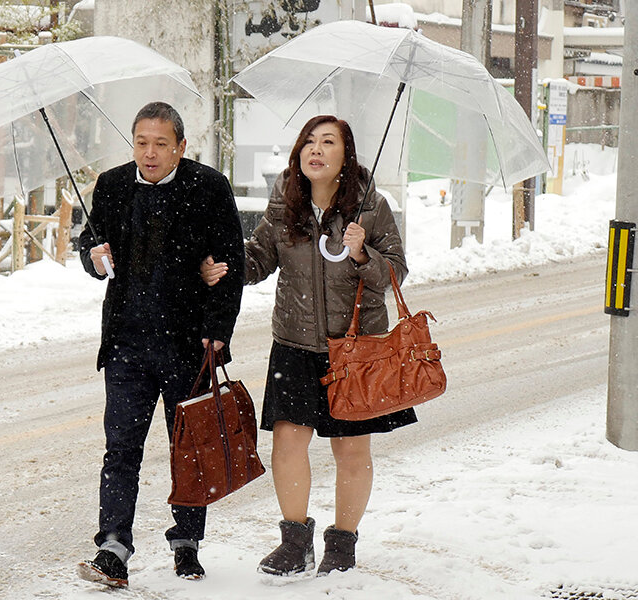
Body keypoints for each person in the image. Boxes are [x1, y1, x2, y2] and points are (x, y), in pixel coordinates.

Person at [201, 115, 416, 576]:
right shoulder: (287, 200)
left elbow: (395, 272)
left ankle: (342, 543)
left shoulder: (371, 205)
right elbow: (260, 257)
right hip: (294, 344)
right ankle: (295, 541)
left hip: (354, 347)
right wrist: (226, 264)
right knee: (287, 443)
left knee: (350, 450)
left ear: (345, 154)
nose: (315, 150)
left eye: (328, 142)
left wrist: (363, 253)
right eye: (309, 142)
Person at [77, 101, 245, 588]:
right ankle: (113, 548)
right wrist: (94, 256)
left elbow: (230, 264)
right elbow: (90, 243)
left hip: (187, 344)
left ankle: (187, 543)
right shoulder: (111, 185)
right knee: (120, 449)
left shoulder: (208, 187)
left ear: (180, 147)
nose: (149, 154)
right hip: (127, 344)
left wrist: (218, 330)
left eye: (160, 144)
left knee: (190, 448)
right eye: (141, 143)